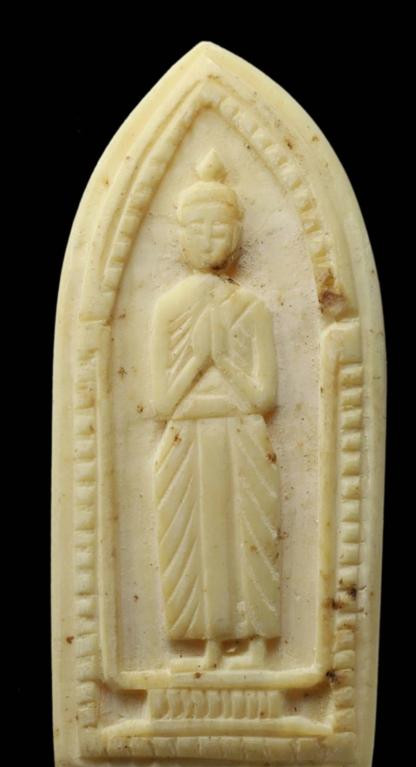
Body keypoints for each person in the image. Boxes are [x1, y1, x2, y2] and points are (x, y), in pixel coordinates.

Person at [151, 149, 281, 669]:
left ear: (237, 235)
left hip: (242, 435)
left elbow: (264, 398)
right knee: (196, 543)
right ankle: (207, 645)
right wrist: (198, 359)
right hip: (187, 439)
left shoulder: (251, 307)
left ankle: (255, 644)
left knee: (247, 535)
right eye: (197, 228)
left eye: (219, 228)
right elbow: (160, 402)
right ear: (181, 236)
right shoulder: (168, 308)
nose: (209, 239)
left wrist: (223, 358)